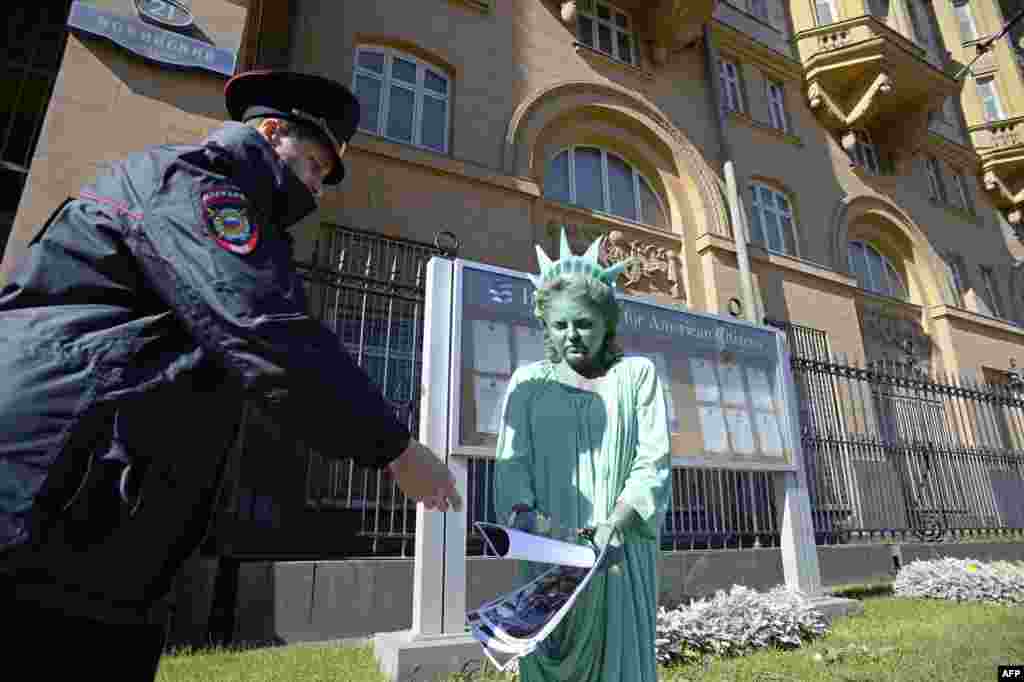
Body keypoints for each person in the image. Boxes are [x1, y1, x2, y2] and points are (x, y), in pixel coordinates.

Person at [0, 70, 460, 679]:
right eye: (317, 168)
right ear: (272, 134)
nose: (318, 191)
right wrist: (395, 449)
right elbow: (264, 328)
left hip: (91, 499)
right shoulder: (197, 185)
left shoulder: (220, 200)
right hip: (53, 491)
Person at [493, 229, 672, 682]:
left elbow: (652, 461)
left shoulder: (636, 376)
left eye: (585, 324)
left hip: (618, 550)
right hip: (548, 551)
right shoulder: (527, 384)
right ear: (546, 326)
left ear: (607, 324)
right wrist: (524, 517)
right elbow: (512, 463)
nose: (572, 335)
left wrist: (620, 518)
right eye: (560, 325)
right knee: (548, 654)